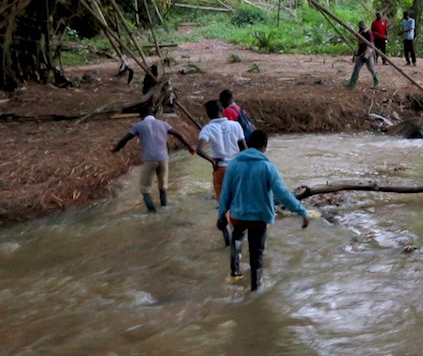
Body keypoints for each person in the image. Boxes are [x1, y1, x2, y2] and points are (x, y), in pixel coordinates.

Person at [217, 129, 310, 291]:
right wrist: (302, 211)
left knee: (236, 242)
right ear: (265, 146)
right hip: (259, 219)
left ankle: (234, 273)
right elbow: (283, 195)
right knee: (256, 253)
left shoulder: (233, 165)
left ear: (248, 143)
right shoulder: (268, 167)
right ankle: (255, 288)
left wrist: (221, 215)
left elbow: (226, 193)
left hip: (238, 216)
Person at [112, 106, 195, 213]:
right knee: (163, 187)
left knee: (145, 189)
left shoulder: (138, 126)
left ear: (141, 116)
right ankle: (165, 208)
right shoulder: (163, 124)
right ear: (154, 116)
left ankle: (152, 212)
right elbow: (179, 135)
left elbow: (125, 139)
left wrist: (116, 149)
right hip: (163, 159)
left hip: (149, 159)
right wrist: (189, 146)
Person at [197, 100, 246, 201]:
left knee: (223, 203)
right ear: (222, 110)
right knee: (239, 198)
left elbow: (199, 150)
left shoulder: (208, 128)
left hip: (221, 168)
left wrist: (212, 160)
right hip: (236, 167)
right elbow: (244, 149)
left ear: (208, 114)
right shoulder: (235, 125)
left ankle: (225, 216)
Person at [346, 21, 379, 89]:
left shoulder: (368, 32)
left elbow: (371, 44)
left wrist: (367, 54)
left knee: (371, 68)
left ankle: (377, 83)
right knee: (356, 69)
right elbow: (360, 44)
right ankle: (351, 84)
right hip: (361, 53)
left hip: (368, 53)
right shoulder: (359, 33)